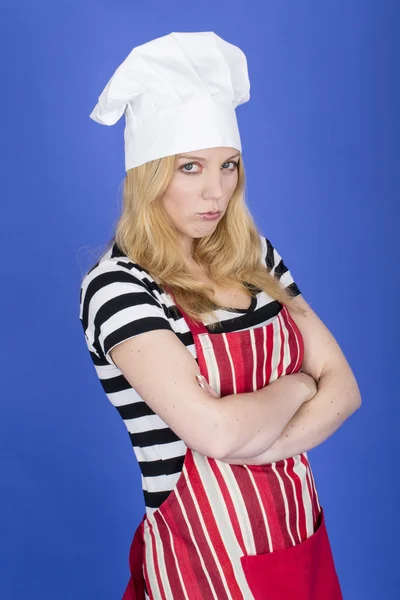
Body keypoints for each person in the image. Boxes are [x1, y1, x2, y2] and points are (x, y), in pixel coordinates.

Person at [79, 31, 361, 600]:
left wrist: (265, 445)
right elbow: (215, 433)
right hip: (201, 561)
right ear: (150, 175)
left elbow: (348, 390)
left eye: (228, 165)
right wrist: (300, 384)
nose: (216, 191)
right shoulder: (118, 286)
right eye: (189, 168)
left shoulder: (254, 256)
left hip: (297, 534)